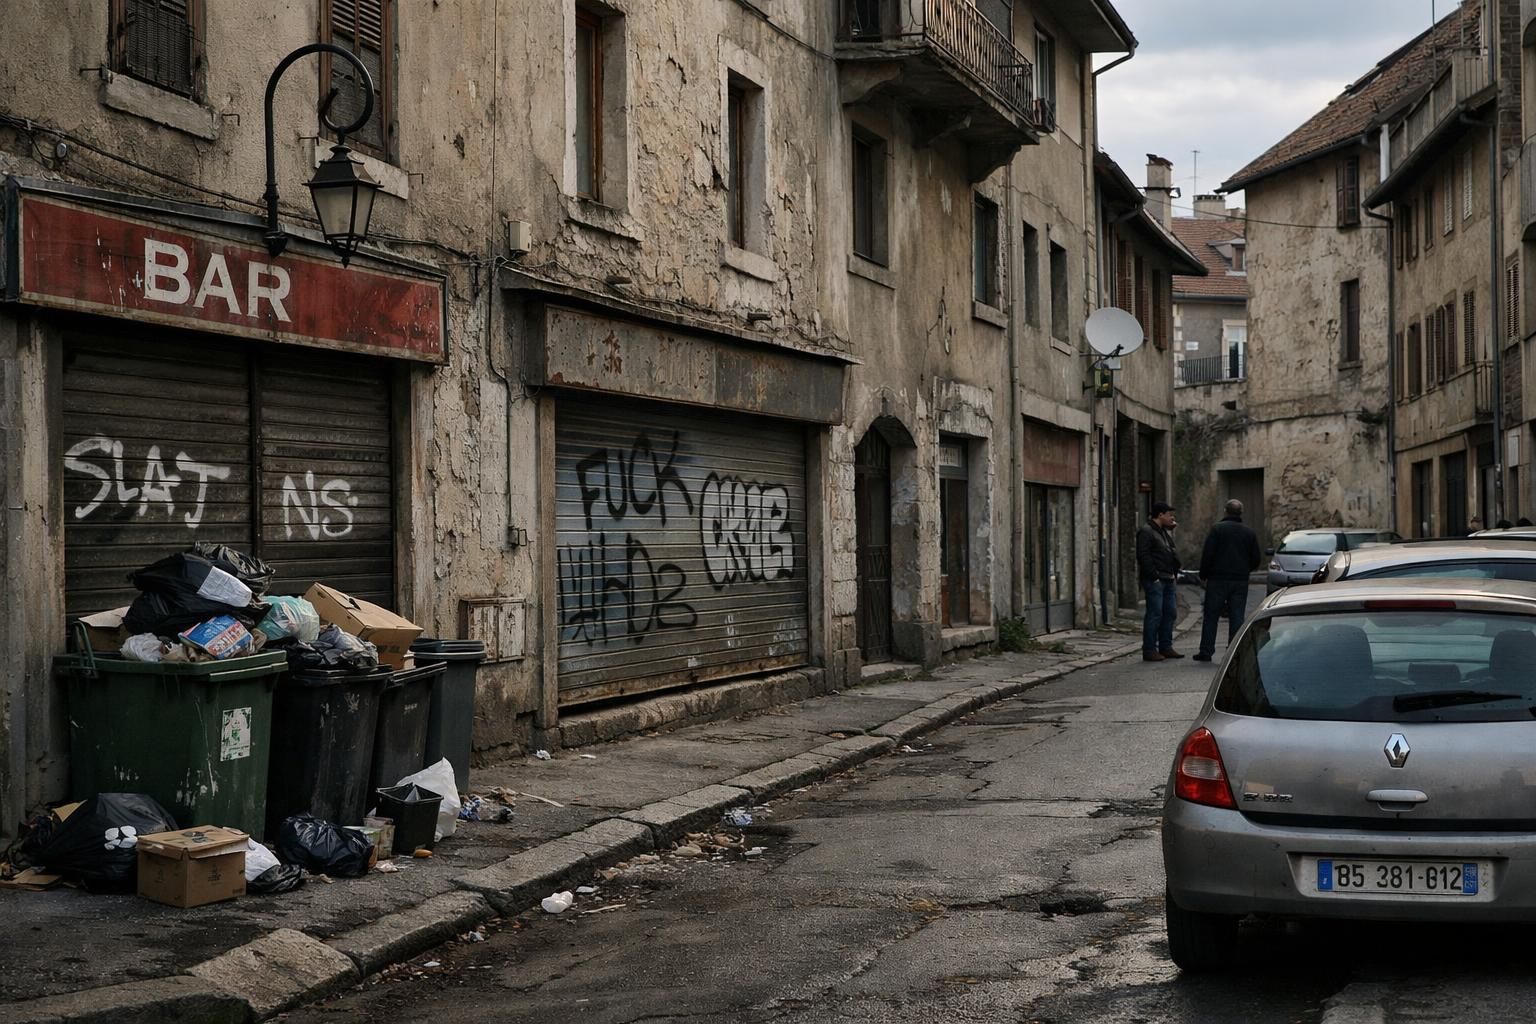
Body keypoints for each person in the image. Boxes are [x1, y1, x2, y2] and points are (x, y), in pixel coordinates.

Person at [1193, 499, 1262, 662]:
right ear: (1241, 513)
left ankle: (1206, 650)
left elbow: (1208, 554)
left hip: (1217, 578)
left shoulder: (1217, 529)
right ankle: (1234, 650)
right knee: (1237, 615)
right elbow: (1256, 558)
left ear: (1225, 511)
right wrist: (1245, 570)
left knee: (1211, 615)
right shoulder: (1249, 532)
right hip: (1239, 580)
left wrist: (1204, 574)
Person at [1136, 501, 1183, 662]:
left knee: (1170, 613)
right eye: (1169, 515)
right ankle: (1149, 649)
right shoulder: (1146, 531)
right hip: (1156, 579)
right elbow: (1143, 555)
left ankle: (1166, 646)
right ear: (1160, 515)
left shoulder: (1163, 532)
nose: (1172, 518)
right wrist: (1154, 576)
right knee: (1155, 613)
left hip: (1168, 578)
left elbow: (1171, 552)